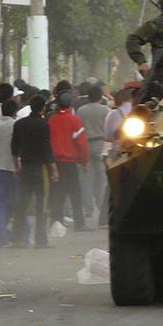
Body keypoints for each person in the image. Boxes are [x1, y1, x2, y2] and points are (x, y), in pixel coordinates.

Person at [12, 94, 58, 248]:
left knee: (22, 203)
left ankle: (16, 239)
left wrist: (16, 167)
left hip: (25, 167)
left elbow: (14, 148)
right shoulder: (43, 125)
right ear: (43, 108)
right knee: (41, 205)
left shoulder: (19, 124)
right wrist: (54, 169)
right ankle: (40, 240)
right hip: (41, 169)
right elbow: (47, 149)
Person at [48, 92, 89, 232]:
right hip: (70, 163)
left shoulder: (52, 120)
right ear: (71, 104)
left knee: (57, 194)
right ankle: (79, 223)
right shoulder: (74, 120)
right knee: (75, 194)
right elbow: (81, 144)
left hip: (55, 164)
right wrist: (84, 161)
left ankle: (56, 221)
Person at [0, 97, 19, 246]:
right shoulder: (16, 125)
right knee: (18, 203)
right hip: (13, 169)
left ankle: (2, 237)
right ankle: (22, 235)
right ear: (15, 112)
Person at [77, 86, 109, 219]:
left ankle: (89, 210)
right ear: (101, 97)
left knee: (86, 178)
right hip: (102, 145)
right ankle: (102, 208)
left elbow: (78, 130)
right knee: (102, 178)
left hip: (86, 144)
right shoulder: (106, 110)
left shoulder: (81, 111)